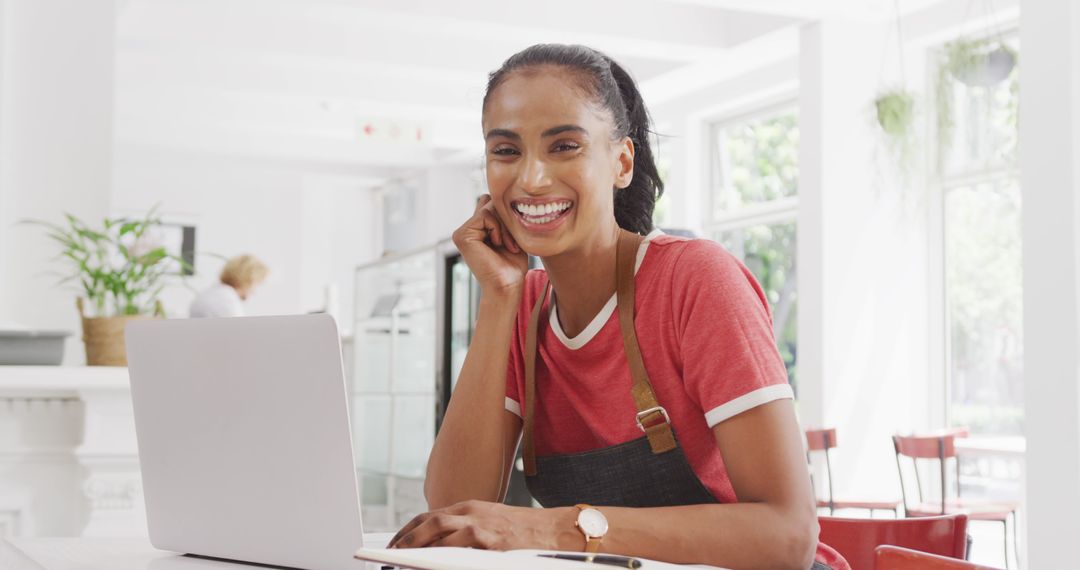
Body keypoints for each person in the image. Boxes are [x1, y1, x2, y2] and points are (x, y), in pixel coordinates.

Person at [388, 44, 848, 570]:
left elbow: (787, 536)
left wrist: (546, 526)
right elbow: (451, 508)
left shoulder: (694, 280)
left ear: (621, 162)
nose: (532, 179)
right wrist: (498, 299)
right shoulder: (522, 307)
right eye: (507, 151)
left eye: (564, 146)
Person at [188, 255, 269, 318]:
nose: (254, 291)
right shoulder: (228, 300)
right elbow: (240, 333)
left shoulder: (208, 293)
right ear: (247, 279)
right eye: (257, 284)